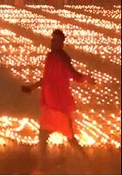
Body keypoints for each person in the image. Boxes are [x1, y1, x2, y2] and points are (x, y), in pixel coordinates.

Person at [22, 29, 96, 172]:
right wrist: (32, 87)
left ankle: (87, 162)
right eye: (52, 39)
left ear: (61, 43)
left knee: (69, 138)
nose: (52, 42)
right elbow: (46, 78)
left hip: (59, 107)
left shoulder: (62, 58)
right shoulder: (50, 57)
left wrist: (86, 78)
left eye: (55, 40)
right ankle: (41, 166)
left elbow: (72, 74)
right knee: (43, 136)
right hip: (49, 105)